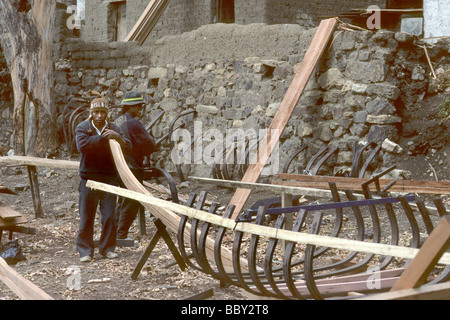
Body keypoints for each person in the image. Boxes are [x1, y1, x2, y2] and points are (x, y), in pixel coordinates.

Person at [75, 96, 131, 262]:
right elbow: (83, 146)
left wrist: (118, 137)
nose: (99, 115)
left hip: (108, 178)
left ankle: (107, 248)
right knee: (87, 215)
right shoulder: (83, 127)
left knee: (108, 216)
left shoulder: (114, 128)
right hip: (88, 178)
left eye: (102, 112)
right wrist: (104, 139)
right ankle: (85, 251)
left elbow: (128, 147)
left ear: (107, 113)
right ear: (91, 113)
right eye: (96, 112)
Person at [115, 91, 158, 240]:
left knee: (122, 199)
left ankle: (114, 232)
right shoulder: (134, 123)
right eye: (138, 107)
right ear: (131, 107)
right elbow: (149, 144)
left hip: (119, 166)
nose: (140, 110)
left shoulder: (118, 120)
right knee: (132, 200)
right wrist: (154, 144)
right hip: (132, 166)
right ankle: (121, 235)